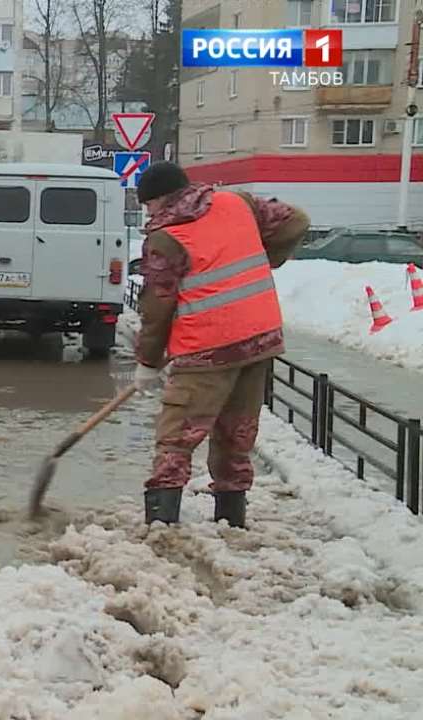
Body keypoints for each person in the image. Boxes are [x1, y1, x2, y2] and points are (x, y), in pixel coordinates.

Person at [134, 162, 309, 528]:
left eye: (147, 205)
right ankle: (231, 522)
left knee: (176, 439)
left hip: (206, 349)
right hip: (259, 338)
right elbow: (295, 220)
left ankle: (160, 530)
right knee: (237, 433)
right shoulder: (236, 202)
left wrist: (148, 361)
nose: (147, 213)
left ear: (161, 199)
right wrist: (265, 256)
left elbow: (157, 306)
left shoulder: (166, 236)